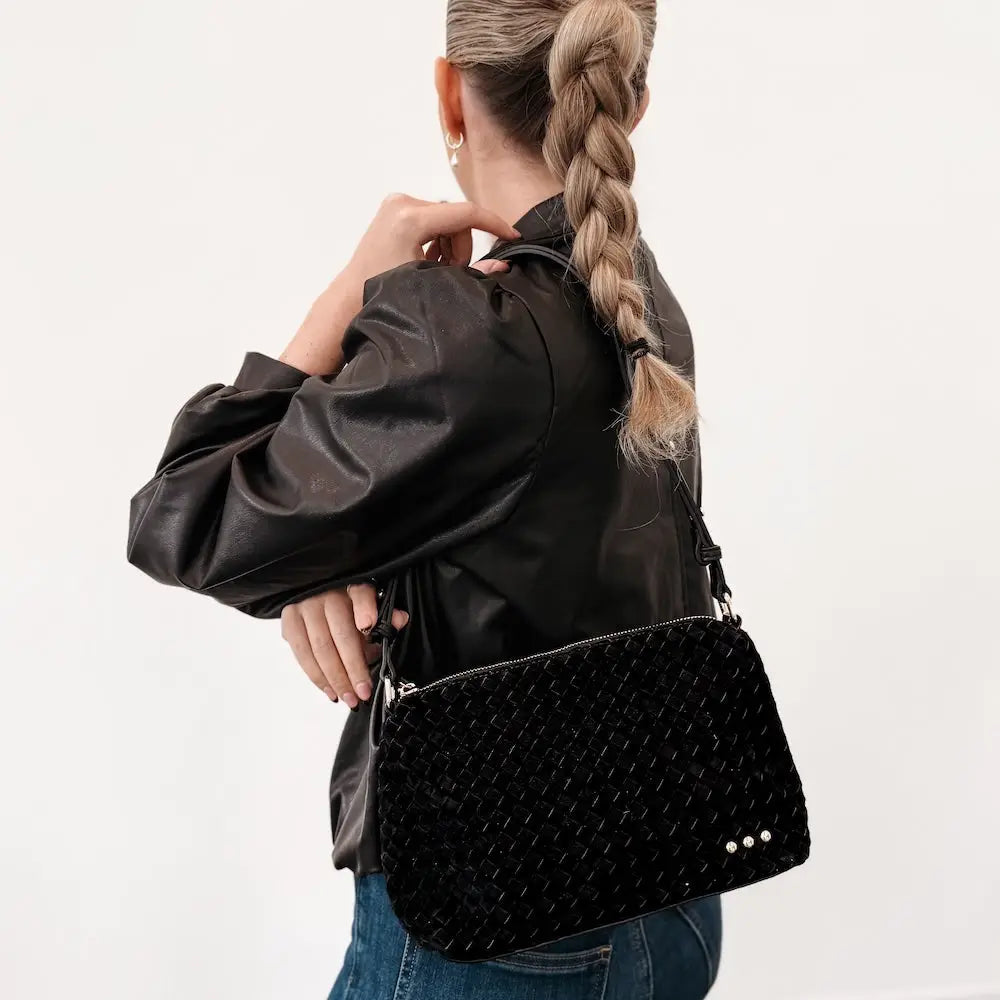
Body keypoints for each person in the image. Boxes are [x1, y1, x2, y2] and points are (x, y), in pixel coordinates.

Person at [127, 0, 724, 996]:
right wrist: (321, 560)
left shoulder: (470, 332)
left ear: (450, 93)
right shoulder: (632, 296)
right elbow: (523, 528)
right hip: (669, 890)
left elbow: (180, 515)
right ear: (632, 104)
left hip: (503, 922)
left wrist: (348, 293)